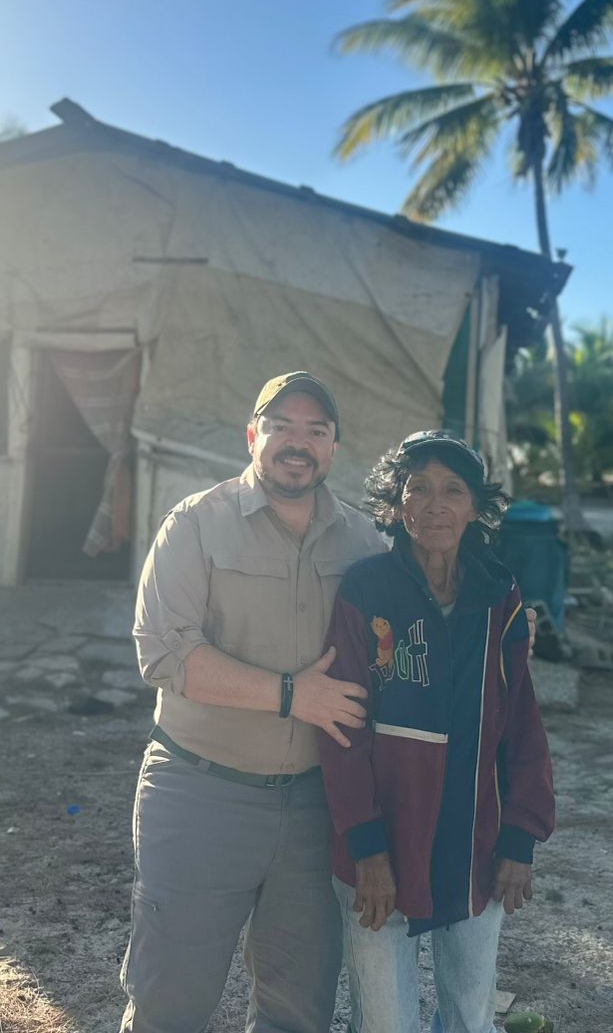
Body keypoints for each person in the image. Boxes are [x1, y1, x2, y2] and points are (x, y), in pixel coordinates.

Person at [122, 371, 388, 1033]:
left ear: (333, 448)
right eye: (282, 427)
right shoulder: (195, 526)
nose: (297, 443)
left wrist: (500, 625)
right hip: (201, 794)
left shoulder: (366, 542)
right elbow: (164, 652)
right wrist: (293, 695)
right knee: (170, 1002)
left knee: (299, 1009)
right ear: (253, 436)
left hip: (313, 808)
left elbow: (412, 632)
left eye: (316, 431)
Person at [319, 431, 556, 1033]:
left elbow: (521, 722)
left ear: (476, 507)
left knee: (472, 1018)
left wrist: (520, 838)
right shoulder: (366, 589)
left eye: (453, 490)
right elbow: (343, 730)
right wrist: (367, 848)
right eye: (416, 489)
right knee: (384, 1023)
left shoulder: (498, 594)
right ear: (394, 505)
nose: (434, 505)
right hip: (383, 846)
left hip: (473, 845)